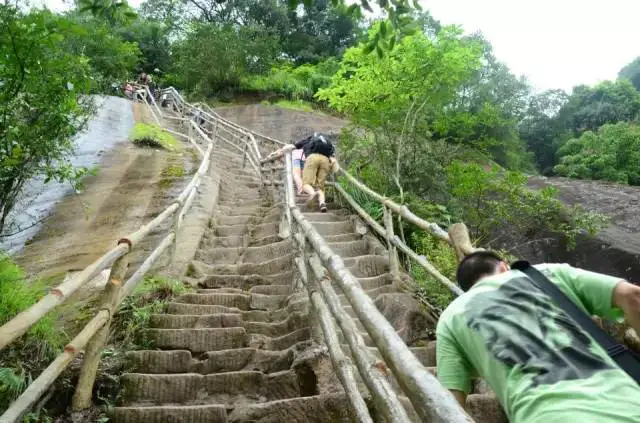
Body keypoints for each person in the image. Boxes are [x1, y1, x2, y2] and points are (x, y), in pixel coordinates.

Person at [436, 250, 640, 422]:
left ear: (466, 289)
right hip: (628, 404)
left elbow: (450, 402)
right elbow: (632, 296)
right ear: (504, 266)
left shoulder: (451, 317)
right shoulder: (548, 272)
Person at [294, 133, 335, 213]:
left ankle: (313, 193)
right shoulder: (327, 142)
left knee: (305, 184)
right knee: (320, 187)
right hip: (325, 160)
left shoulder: (308, 140)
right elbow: (332, 154)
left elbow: (293, 146)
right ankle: (322, 203)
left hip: (312, 158)